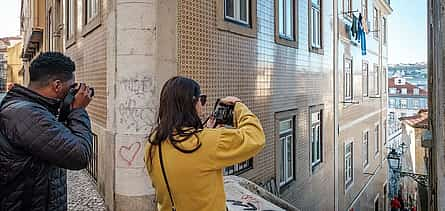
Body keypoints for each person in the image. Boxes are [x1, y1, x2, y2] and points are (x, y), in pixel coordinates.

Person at [144, 76, 265, 211]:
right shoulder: (208, 143)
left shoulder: (153, 142)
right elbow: (255, 137)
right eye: (202, 99)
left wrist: (205, 132)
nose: (203, 105)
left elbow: (186, 173)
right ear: (192, 104)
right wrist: (238, 106)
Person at [0, 52, 94, 211]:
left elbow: (57, 138)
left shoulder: (31, 108)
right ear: (57, 85)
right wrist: (78, 110)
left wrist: (65, 108)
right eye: (71, 87)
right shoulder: (27, 114)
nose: (73, 92)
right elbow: (79, 155)